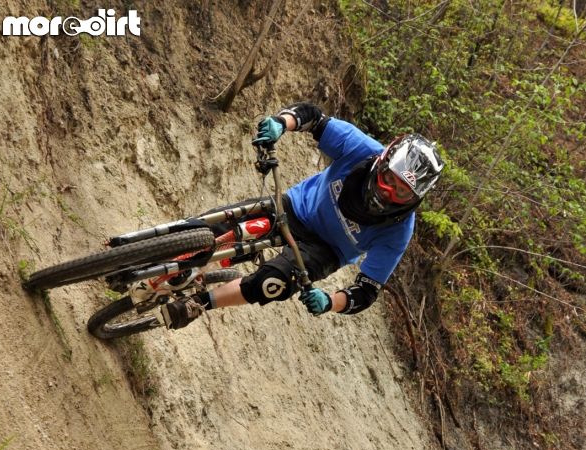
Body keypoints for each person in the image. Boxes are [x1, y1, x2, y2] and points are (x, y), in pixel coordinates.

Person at [157, 102, 445, 329]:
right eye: (390, 180)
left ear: (416, 198)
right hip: (298, 207)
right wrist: (281, 123)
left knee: (272, 283)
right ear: (381, 163)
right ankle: (152, 251)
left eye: (402, 192)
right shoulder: (361, 148)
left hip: (325, 251)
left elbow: (367, 290)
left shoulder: (399, 230)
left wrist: (329, 301)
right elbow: (313, 118)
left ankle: (200, 304)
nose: (389, 192)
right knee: (218, 223)